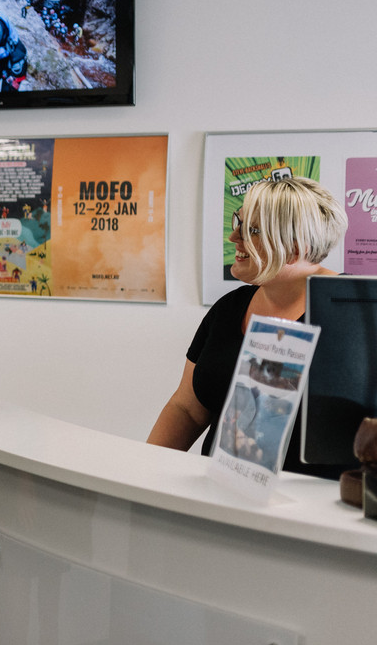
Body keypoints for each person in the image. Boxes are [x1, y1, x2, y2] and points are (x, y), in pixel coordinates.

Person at [147, 176, 351, 478]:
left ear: (295, 248)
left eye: (253, 230)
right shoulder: (229, 307)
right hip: (222, 492)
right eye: (239, 223)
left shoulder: (356, 313)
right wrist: (143, 471)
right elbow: (187, 409)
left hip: (318, 503)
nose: (234, 237)